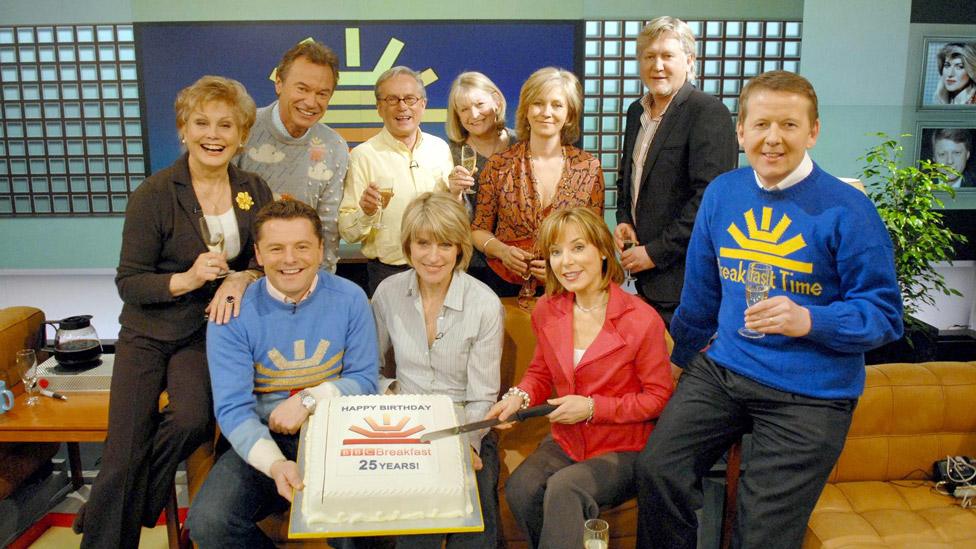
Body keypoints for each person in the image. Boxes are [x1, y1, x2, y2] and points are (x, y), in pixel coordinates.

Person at [635, 71, 904, 549]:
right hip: (725, 370)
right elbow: (701, 296)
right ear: (741, 132)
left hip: (812, 393)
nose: (773, 139)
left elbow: (884, 315)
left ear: (813, 131)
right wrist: (681, 362)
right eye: (760, 125)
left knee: (761, 529)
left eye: (788, 125)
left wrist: (811, 320)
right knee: (658, 470)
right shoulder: (723, 193)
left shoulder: (849, 209)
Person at [76, 76, 273, 547]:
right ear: (183, 130)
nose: (214, 134)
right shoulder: (155, 193)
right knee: (122, 451)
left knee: (191, 420)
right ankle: (113, 515)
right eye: (202, 122)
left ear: (242, 135)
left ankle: (126, 496)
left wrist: (240, 276)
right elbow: (129, 282)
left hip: (203, 333)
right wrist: (185, 279)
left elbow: (257, 259)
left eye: (226, 125)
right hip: (147, 331)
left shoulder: (252, 188)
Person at [186, 198, 379, 547]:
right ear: (258, 255)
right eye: (276, 248)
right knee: (209, 522)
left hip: (337, 437)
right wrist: (275, 465)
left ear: (320, 250)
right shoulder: (232, 313)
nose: (290, 259)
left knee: (354, 530)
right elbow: (232, 409)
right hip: (264, 439)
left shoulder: (351, 299)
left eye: (302, 247)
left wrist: (309, 399)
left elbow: (365, 380)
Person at [485, 207, 673, 549]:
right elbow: (540, 372)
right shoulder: (548, 308)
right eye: (556, 252)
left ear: (602, 250)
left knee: (567, 489)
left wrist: (591, 408)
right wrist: (518, 397)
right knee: (521, 488)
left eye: (578, 248)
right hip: (568, 441)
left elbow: (658, 398)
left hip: (625, 448)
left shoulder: (641, 319)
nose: (566, 262)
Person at [372, 192, 504, 549]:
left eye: (445, 244)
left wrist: (467, 445)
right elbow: (368, 369)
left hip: (466, 422)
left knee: (475, 526)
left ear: (460, 248)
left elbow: (482, 395)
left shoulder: (484, 304)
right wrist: (393, 393)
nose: (433, 256)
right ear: (408, 246)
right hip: (404, 424)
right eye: (423, 243)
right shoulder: (387, 292)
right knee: (418, 529)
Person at [613, 16, 737, 326]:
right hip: (640, 276)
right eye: (649, 56)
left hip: (682, 283)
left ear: (689, 60)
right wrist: (625, 219)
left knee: (678, 371)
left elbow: (708, 200)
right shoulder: (635, 111)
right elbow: (628, 177)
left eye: (667, 56)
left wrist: (654, 252)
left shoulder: (708, 112)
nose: (657, 65)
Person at [471, 67, 604, 297]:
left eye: (557, 105)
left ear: (570, 114)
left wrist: (560, 267)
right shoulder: (499, 165)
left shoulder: (588, 168)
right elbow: (478, 231)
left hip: (568, 287)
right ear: (526, 111)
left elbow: (594, 240)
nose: (546, 112)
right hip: (503, 287)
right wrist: (502, 251)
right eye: (538, 103)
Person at [339, 66, 453, 296]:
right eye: (392, 99)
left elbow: (452, 214)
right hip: (388, 273)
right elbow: (348, 232)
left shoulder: (440, 148)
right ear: (379, 108)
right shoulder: (363, 155)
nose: (402, 106)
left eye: (410, 98)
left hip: (439, 266)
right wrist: (366, 211)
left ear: (423, 104)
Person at [236, 39, 348, 272]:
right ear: (279, 82)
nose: (311, 102)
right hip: (239, 275)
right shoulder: (242, 128)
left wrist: (321, 284)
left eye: (322, 93)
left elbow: (327, 227)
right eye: (302, 89)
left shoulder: (334, 146)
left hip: (302, 275)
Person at [445, 71, 517, 285]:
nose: (474, 115)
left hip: (523, 260)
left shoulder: (523, 143)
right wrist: (454, 194)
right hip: (473, 267)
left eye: (479, 104)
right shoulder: (450, 154)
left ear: (496, 100)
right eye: (464, 109)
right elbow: (450, 222)